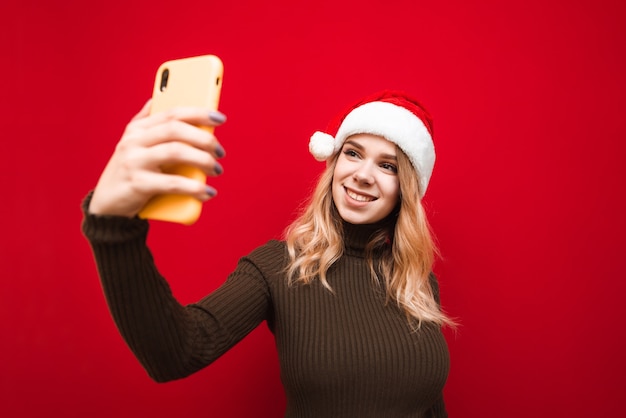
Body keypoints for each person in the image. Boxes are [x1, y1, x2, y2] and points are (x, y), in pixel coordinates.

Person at [82, 90, 454, 417]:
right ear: (333, 163)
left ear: (406, 187)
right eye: (352, 153)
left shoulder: (417, 281)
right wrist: (114, 226)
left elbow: (428, 407)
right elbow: (178, 352)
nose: (362, 174)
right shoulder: (279, 266)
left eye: (387, 165)